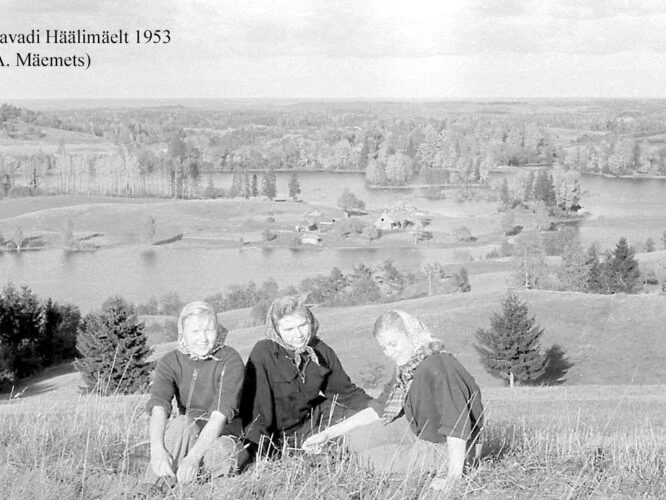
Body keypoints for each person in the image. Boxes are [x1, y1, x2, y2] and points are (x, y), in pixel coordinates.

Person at [302, 310, 483, 491]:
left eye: (393, 344)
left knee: (368, 460)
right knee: (355, 439)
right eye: (384, 347)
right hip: (419, 429)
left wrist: (454, 479)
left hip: (450, 448)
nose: (389, 353)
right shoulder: (408, 366)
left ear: (411, 335)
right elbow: (379, 408)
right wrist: (327, 434)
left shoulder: (440, 368)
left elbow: (457, 426)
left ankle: (443, 468)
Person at [241, 295, 373, 456]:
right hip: (280, 433)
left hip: (314, 419)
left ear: (310, 322)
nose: (298, 335)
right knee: (326, 451)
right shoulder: (264, 353)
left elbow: (345, 393)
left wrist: (378, 408)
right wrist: (263, 452)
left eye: (302, 325)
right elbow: (256, 412)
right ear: (276, 330)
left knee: (363, 426)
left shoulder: (320, 349)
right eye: (288, 329)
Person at [143, 301, 247, 486]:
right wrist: (157, 449)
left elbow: (219, 416)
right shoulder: (170, 361)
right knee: (182, 422)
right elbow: (159, 405)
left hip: (224, 434)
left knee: (222, 452)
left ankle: (200, 482)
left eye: (209, 330)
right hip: (190, 432)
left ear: (218, 329)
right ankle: (150, 487)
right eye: (195, 332)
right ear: (183, 333)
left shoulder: (230, 360)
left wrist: (194, 457)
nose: (204, 338)